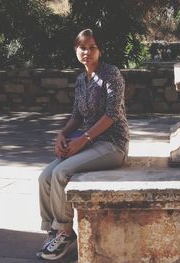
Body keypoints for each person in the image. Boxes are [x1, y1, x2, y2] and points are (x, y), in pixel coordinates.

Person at [37, 28, 130, 261]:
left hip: (112, 144)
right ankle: (53, 231)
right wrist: (62, 135)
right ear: (75, 50)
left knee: (61, 171)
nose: (87, 52)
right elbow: (77, 116)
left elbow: (111, 115)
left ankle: (66, 232)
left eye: (92, 47)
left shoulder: (111, 74)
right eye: (82, 47)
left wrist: (83, 139)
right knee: (45, 176)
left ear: (100, 50)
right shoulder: (81, 79)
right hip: (89, 143)